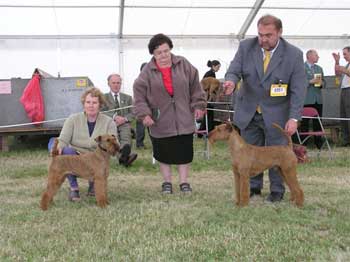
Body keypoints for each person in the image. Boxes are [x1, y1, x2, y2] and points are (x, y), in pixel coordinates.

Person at [224, 14, 307, 203]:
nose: (263, 39)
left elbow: (298, 89)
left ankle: (277, 191)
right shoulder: (246, 47)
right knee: (249, 154)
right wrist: (230, 80)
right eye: (260, 34)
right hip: (249, 111)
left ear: (279, 32)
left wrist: (294, 117)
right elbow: (234, 69)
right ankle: (253, 188)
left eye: (268, 35)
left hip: (277, 113)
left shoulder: (293, 54)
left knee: (277, 156)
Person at [133, 33, 206, 194]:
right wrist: (144, 114)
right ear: (153, 54)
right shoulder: (147, 71)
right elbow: (139, 96)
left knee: (184, 152)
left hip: (184, 117)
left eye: (166, 51)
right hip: (160, 120)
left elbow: (196, 87)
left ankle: (184, 182)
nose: (163, 55)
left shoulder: (184, 64)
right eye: (159, 53)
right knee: (163, 152)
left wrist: (199, 105)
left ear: (170, 49)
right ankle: (167, 183)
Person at [48, 87, 118, 202]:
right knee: (66, 152)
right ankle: (74, 188)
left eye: (94, 102)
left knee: (99, 163)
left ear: (100, 105)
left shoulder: (108, 122)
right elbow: (63, 139)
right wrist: (59, 147)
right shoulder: (73, 119)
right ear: (83, 104)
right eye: (88, 102)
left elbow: (115, 142)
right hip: (77, 155)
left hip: (97, 157)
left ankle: (93, 186)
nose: (91, 105)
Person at [103, 73, 138, 166]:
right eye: (113, 83)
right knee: (114, 137)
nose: (116, 85)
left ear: (121, 84)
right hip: (109, 124)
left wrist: (125, 119)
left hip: (124, 123)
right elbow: (101, 112)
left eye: (118, 83)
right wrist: (114, 117)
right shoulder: (103, 97)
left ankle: (123, 156)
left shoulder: (128, 98)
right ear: (108, 84)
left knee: (126, 133)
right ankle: (125, 158)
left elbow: (134, 112)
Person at [301, 49, 325, 149]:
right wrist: (310, 81)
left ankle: (319, 144)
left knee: (318, 123)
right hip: (306, 100)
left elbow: (324, 81)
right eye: (316, 55)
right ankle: (303, 144)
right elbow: (298, 83)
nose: (318, 57)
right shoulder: (301, 68)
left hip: (318, 100)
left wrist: (322, 83)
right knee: (304, 123)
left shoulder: (319, 68)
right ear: (309, 56)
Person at [332, 47, 350, 147]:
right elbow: (337, 73)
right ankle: (346, 139)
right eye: (343, 54)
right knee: (343, 115)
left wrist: (343, 69)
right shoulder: (347, 64)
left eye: (345, 54)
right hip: (344, 91)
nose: (344, 56)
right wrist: (337, 62)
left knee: (349, 115)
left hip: (349, 90)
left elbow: (344, 72)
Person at [135, 62, 148, 149]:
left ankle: (156, 142)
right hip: (141, 105)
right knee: (140, 125)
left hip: (152, 106)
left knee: (154, 126)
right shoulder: (138, 81)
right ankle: (139, 143)